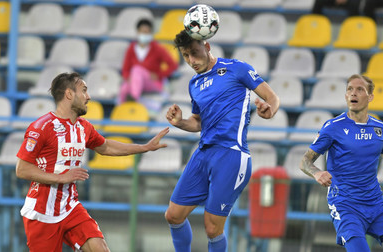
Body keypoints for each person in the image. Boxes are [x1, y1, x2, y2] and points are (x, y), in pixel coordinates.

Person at [16, 72, 169, 252]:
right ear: (69, 94)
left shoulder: (84, 127)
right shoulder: (41, 127)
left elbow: (105, 147)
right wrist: (61, 178)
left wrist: (144, 148)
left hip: (70, 207)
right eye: (84, 90)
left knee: (100, 248)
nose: (88, 96)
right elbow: (22, 169)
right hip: (41, 213)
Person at [164, 30, 280, 252]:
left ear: (207, 47)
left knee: (212, 228)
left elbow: (272, 98)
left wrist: (269, 110)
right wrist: (180, 122)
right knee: (173, 215)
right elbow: (198, 123)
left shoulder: (237, 68)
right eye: (186, 56)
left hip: (231, 154)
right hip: (203, 153)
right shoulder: (194, 83)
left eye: (195, 53)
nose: (191, 61)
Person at [299, 74, 383, 251]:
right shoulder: (333, 127)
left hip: (375, 204)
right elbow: (305, 161)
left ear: (370, 97)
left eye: (360, 89)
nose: (353, 93)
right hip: (346, 206)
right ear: (346, 95)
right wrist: (317, 173)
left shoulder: (379, 129)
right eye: (350, 89)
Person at [119, 18, 178, 104]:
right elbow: (125, 69)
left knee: (136, 69)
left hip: (152, 82)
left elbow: (173, 65)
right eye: (142, 32)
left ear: (151, 33)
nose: (144, 34)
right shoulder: (131, 48)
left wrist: (159, 75)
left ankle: (134, 98)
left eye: (147, 32)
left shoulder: (157, 48)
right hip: (135, 81)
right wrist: (127, 78)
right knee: (124, 87)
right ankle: (121, 111)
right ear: (137, 32)